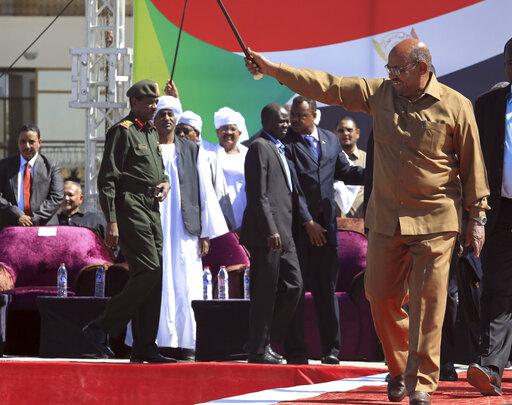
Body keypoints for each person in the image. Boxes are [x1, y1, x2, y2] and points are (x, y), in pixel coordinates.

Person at [245, 38, 489, 404]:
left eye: (398, 70)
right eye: (388, 69)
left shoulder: (456, 105)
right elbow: (325, 84)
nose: (391, 76)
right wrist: (273, 69)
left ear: (423, 68)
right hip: (388, 218)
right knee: (380, 296)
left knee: (429, 299)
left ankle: (421, 382)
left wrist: (478, 216)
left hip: (437, 218)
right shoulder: (379, 94)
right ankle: (400, 364)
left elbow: (473, 164)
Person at [82, 79, 175, 363]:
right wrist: (112, 220)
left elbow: (158, 172)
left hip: (152, 208)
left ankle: (145, 345)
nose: (154, 106)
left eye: (156, 101)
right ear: (133, 102)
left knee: (153, 276)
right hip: (130, 208)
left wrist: (166, 183)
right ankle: (100, 327)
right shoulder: (122, 132)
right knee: (148, 271)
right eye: (149, 102)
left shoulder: (150, 133)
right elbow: (107, 180)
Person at [281, 96, 365, 365]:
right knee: (296, 289)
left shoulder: (330, 139)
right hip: (300, 230)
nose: (294, 120)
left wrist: (376, 171)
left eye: (300, 116)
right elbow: (292, 187)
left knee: (325, 291)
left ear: (314, 116)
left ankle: (332, 350)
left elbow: (346, 171)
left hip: (327, 231)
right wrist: (307, 223)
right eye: (293, 115)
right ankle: (296, 351)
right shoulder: (287, 143)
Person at [149, 96, 226, 360]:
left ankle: (187, 342)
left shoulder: (191, 149)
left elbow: (204, 190)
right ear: (154, 119)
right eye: (161, 114)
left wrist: (205, 231)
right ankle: (158, 342)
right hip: (154, 224)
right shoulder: (146, 147)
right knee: (158, 281)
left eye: (171, 114)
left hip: (185, 226)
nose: (167, 119)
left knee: (186, 281)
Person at [467, 38, 512, 396]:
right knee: (499, 290)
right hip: (502, 213)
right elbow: (473, 163)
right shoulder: (489, 105)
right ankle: (491, 368)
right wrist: (476, 216)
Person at [241, 103, 302, 364]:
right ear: (266, 121)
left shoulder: (280, 148)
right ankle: (258, 349)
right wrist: (270, 229)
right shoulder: (258, 147)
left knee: (294, 285)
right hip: (268, 234)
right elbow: (258, 194)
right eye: (281, 121)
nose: (286, 125)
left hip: (285, 233)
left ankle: (261, 339)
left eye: (288, 121)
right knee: (264, 292)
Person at [0, 124, 63, 228]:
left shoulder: (51, 166)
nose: (27, 146)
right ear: (18, 142)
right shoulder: (4, 165)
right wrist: (17, 215)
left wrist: (33, 219)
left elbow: (56, 197)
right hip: (12, 227)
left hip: (44, 227)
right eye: (23, 142)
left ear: (39, 142)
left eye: (31, 142)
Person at [213, 107, 249, 231]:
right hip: (220, 218)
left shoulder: (247, 153)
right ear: (217, 132)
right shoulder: (210, 153)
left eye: (233, 129)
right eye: (224, 129)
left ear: (240, 133)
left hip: (247, 216)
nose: (228, 132)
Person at [333, 116, 366, 218]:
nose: (345, 133)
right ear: (334, 133)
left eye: (349, 130)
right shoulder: (328, 160)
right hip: (334, 226)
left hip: (361, 227)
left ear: (357, 132)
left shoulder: (368, 159)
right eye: (341, 130)